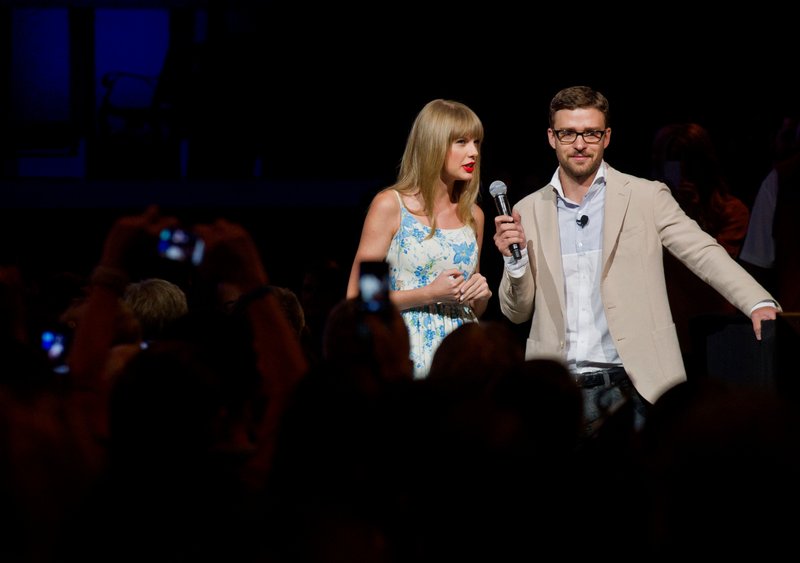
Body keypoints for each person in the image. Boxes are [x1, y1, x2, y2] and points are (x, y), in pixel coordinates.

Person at [492, 85, 780, 437]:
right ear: (552, 137)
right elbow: (516, 312)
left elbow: (702, 251)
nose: (579, 144)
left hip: (636, 385)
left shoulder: (645, 197)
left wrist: (756, 300)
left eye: (591, 133)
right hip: (557, 392)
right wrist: (514, 262)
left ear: (607, 137)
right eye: (568, 133)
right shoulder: (526, 211)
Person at [346, 98, 493, 379]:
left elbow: (471, 305)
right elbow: (358, 298)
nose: (473, 152)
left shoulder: (473, 215)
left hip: (460, 358)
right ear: (432, 144)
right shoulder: (392, 206)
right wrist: (430, 294)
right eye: (461, 141)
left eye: (477, 142)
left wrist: (481, 295)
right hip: (404, 353)